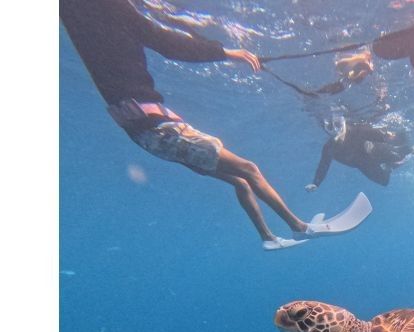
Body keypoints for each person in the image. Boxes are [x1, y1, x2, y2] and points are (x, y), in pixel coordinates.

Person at [60, 0, 367, 251]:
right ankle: (300, 227)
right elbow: (163, 40)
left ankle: (269, 239)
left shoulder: (72, 11)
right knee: (248, 169)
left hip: (143, 132)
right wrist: (224, 52)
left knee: (240, 180)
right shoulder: (107, 6)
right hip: (159, 128)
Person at [306, 118, 414, 189]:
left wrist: (386, 135)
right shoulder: (329, 148)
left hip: (375, 151)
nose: (336, 130)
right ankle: (389, 166)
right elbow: (323, 166)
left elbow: (374, 133)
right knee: (384, 181)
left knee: (397, 154)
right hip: (363, 164)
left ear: (343, 124)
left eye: (338, 125)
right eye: (330, 128)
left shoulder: (355, 130)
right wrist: (315, 183)